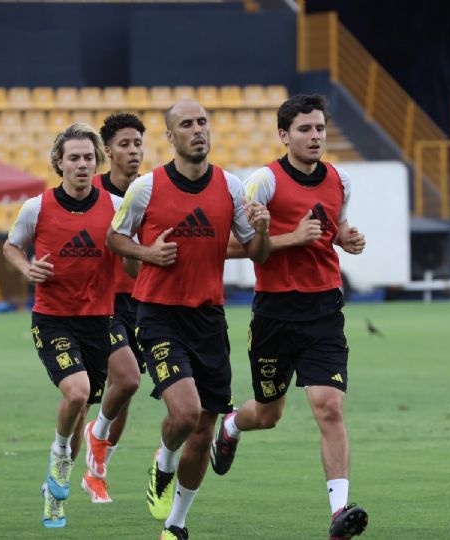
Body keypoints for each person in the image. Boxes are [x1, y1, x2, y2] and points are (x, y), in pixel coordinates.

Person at [107, 99, 271, 540]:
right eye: (187, 124)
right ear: (171, 136)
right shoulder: (146, 188)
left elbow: (257, 252)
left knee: (203, 432)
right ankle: (163, 461)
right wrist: (148, 253)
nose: (198, 130)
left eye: (202, 122)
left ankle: (176, 525)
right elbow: (115, 238)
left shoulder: (232, 187)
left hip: (209, 318)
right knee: (186, 414)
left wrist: (264, 228)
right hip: (158, 314)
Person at [212, 94, 369, 540]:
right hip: (274, 314)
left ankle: (339, 514)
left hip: (323, 311)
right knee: (267, 413)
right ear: (284, 136)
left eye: (319, 128)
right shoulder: (262, 182)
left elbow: (331, 227)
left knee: (329, 407)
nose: (314, 136)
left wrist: (346, 238)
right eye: (304, 129)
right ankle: (230, 425)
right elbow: (227, 246)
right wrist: (290, 238)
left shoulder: (340, 179)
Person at [2, 123, 117, 527]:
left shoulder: (114, 208)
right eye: (74, 158)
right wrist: (27, 268)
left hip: (98, 321)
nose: (82, 164)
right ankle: (61, 456)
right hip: (52, 318)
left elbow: (130, 250)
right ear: (59, 163)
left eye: (89, 157)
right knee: (78, 390)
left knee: (82, 402)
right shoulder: (38, 207)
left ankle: (55, 491)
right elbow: (11, 247)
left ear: (97, 162)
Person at [78, 113, 148, 503]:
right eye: (124, 144)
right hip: (102, 304)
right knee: (126, 379)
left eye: (138, 143)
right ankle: (83, 445)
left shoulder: (152, 190)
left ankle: (96, 470)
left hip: (145, 302)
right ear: (107, 151)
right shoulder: (92, 193)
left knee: (125, 391)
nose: (133, 151)